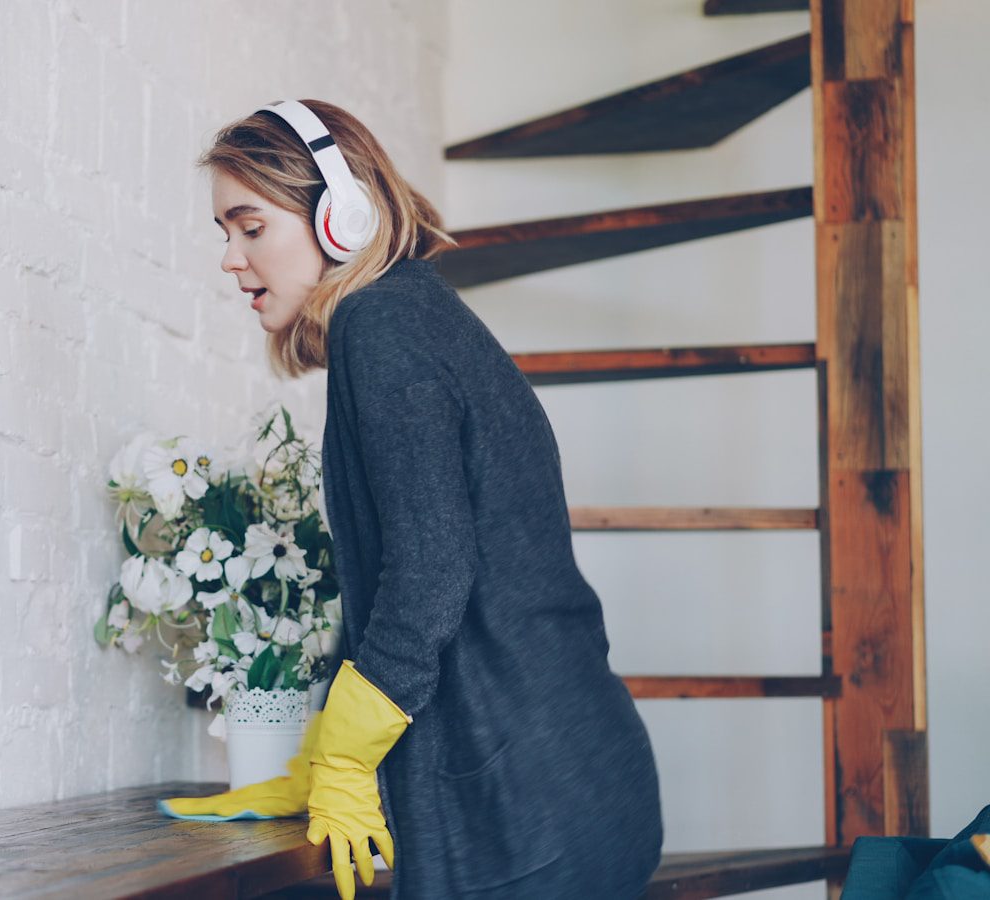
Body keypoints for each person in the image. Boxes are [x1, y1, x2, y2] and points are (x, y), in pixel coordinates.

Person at [159, 100, 664, 900]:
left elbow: (431, 568)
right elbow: (411, 563)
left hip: (529, 805)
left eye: (250, 227)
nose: (230, 257)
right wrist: (319, 751)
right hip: (565, 776)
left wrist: (348, 753)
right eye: (225, 233)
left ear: (340, 216)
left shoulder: (383, 325)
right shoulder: (408, 314)